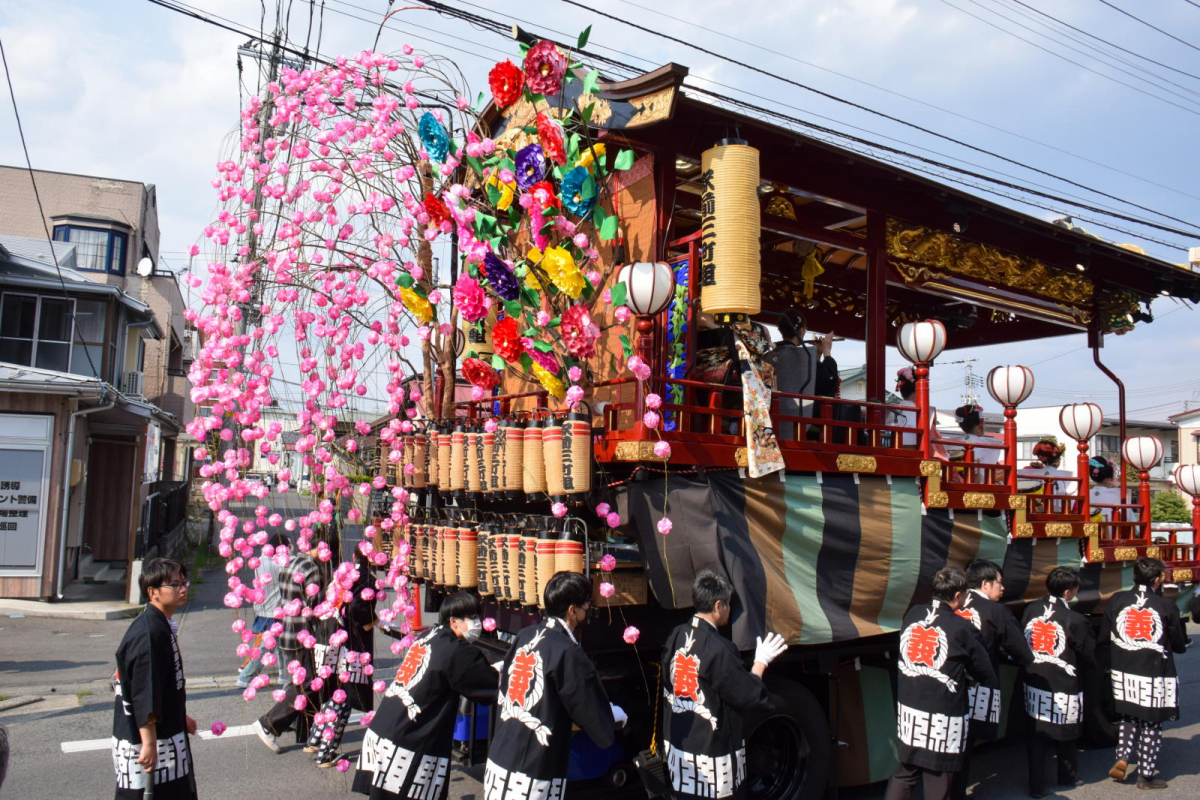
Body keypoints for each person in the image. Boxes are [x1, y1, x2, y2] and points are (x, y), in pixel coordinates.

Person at [484, 571, 626, 800]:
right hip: (532, 772)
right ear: (573, 610)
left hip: (499, 759)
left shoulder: (525, 635)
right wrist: (612, 716)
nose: (588, 608)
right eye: (586, 603)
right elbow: (591, 713)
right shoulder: (567, 651)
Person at [353, 590, 498, 799]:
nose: (478, 623)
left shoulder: (429, 635)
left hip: (384, 731)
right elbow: (489, 686)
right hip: (407, 740)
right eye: (472, 618)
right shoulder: (456, 650)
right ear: (454, 621)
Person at [661, 569, 786, 800]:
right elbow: (750, 695)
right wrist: (760, 662)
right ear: (718, 606)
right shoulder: (719, 648)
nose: (729, 609)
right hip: (711, 759)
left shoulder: (677, 635)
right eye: (728, 604)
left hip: (681, 752)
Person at [884, 566, 997, 800]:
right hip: (943, 715)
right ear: (958, 596)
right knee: (939, 776)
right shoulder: (962, 627)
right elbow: (985, 672)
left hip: (911, 708)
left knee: (906, 770)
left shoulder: (913, 613)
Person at [111, 557, 198, 799]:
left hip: (166, 732)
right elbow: (145, 692)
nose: (183, 589)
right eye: (174, 584)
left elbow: (164, 685)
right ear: (153, 592)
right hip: (150, 739)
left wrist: (180, 715)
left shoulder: (160, 624)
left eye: (183, 582)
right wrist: (148, 742)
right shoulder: (149, 633)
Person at [1101, 557, 1188, 790]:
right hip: (1153, 672)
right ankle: (1145, 775)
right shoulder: (1166, 606)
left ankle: (1123, 755)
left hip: (1123, 670)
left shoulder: (1117, 600)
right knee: (1152, 721)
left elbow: (1104, 636)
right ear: (1157, 580)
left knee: (1129, 715)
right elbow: (1179, 644)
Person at [949, 561, 1033, 800]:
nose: (1003, 588)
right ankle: (956, 793)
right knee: (965, 741)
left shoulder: (950, 604)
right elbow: (1022, 652)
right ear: (985, 584)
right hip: (977, 683)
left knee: (951, 738)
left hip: (946, 683)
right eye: (999, 582)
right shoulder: (996, 611)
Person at [1021, 566, 1094, 798]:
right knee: (1067, 731)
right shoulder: (1075, 619)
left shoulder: (1031, 609)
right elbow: (1087, 654)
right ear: (1067, 593)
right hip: (1064, 682)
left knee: (1037, 732)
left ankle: (1036, 785)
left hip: (1035, 678)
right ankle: (1067, 775)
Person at [253, 533, 330, 753]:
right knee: (305, 686)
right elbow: (317, 608)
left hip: (286, 630)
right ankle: (268, 724)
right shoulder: (313, 571)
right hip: (302, 634)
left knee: (296, 684)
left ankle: (304, 731)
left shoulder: (292, 561)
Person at [307, 546, 378, 766]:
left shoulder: (342, 571)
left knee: (333, 689)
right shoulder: (367, 578)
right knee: (346, 695)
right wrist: (373, 621)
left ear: (355, 556)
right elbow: (358, 611)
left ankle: (315, 739)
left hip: (326, 633)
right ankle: (326, 752)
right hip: (349, 641)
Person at [764, 308, 838, 441]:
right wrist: (827, 352)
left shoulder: (770, 355)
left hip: (772, 416)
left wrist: (818, 354)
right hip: (797, 417)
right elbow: (828, 380)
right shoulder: (803, 354)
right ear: (802, 330)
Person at [238, 532, 290, 688]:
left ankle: (283, 674)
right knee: (267, 645)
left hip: (263, 607)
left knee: (280, 644)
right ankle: (245, 676)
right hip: (274, 610)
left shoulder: (260, 560)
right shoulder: (278, 565)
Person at [1088, 457, 1122, 522]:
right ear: (1109, 479)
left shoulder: (1087, 493)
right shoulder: (1117, 494)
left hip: (1090, 529)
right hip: (1114, 530)